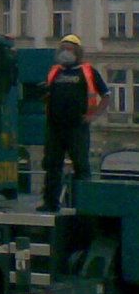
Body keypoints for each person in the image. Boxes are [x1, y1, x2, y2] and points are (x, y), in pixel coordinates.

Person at [37, 34, 110, 212]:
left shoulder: (88, 71)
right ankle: (50, 203)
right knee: (52, 165)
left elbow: (106, 95)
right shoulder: (55, 72)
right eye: (63, 49)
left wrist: (93, 116)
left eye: (69, 49)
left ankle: (83, 205)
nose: (65, 52)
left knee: (81, 166)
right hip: (55, 127)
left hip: (77, 127)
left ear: (77, 51)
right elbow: (48, 96)